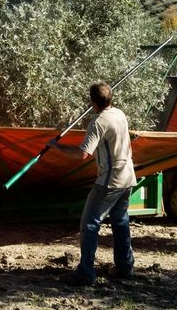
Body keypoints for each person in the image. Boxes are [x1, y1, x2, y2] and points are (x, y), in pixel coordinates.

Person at [48, 81, 136, 286]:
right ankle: (125, 267)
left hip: (110, 180)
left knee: (89, 223)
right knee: (120, 221)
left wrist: (57, 147)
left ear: (93, 102)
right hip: (128, 176)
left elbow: (82, 153)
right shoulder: (119, 114)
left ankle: (86, 273)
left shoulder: (98, 122)